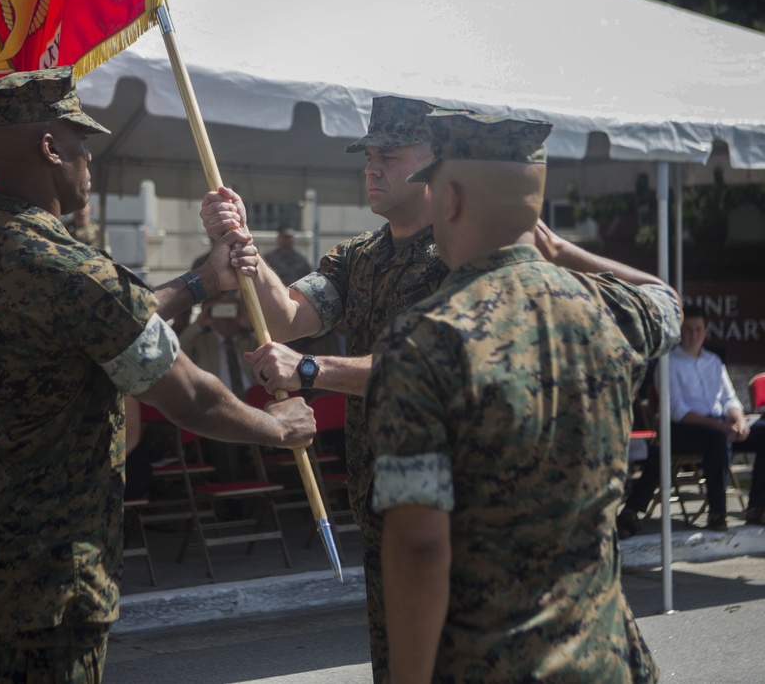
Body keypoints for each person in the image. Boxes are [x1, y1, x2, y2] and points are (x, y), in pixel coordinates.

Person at [0, 66, 315, 683]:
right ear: (49, 147)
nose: (88, 155)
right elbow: (193, 401)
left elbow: (113, 318)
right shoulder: (70, 271)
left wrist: (204, 280)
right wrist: (276, 427)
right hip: (36, 578)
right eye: (80, 140)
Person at [365, 108, 681, 683]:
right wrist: (563, 256)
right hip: (606, 662)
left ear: (450, 199)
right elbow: (664, 297)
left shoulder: (425, 340)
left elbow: (418, 547)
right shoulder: (608, 310)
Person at [202, 95, 449, 683]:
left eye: (388, 154)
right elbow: (287, 316)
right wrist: (248, 253)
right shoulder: (359, 257)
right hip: (379, 501)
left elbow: (432, 371)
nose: (372, 168)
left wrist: (312, 372)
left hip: (446, 510)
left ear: (435, 159)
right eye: (367, 155)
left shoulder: (459, 257)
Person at [617, 305, 765, 535]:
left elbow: (730, 399)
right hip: (684, 428)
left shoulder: (713, 361)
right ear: (679, 332)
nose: (693, 335)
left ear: (706, 332)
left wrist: (740, 422)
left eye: (698, 329)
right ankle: (717, 513)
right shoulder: (668, 363)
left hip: (718, 425)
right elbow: (677, 410)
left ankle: (757, 507)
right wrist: (722, 427)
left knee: (762, 431)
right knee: (717, 438)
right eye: (687, 330)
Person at [179, 290, 259, 482]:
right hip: (219, 409)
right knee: (224, 431)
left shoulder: (250, 340)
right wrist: (200, 323)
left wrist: (250, 323)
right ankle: (233, 498)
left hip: (254, 407)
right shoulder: (201, 340)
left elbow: (277, 347)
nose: (228, 317)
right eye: (222, 310)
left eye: (232, 310)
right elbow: (175, 353)